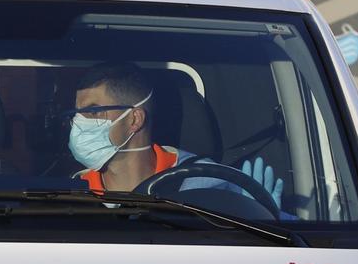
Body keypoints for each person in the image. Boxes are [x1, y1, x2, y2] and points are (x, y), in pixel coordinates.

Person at [66, 62, 285, 207]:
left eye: (92, 112)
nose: (79, 122)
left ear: (134, 119)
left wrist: (261, 218)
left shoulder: (208, 183)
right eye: (77, 114)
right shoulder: (71, 194)